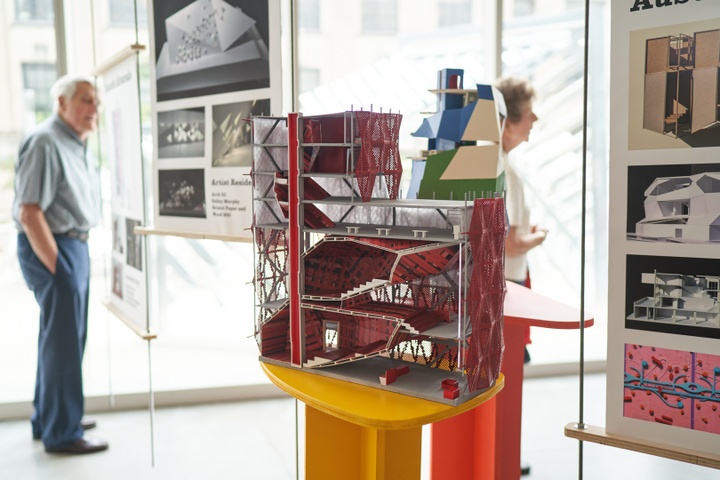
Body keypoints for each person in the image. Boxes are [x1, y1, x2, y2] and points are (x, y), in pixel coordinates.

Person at [12, 74, 107, 454]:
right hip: (54, 247)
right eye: (85, 100)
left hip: (72, 246)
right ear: (62, 104)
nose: (93, 109)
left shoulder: (73, 142)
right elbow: (29, 211)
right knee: (65, 342)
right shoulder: (46, 141)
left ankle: (51, 417)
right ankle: (62, 433)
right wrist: (59, 268)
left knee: (62, 339)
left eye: (95, 102)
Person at [495, 75, 548, 477]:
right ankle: (503, 455)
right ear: (510, 120)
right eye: (528, 113)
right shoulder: (505, 171)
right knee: (508, 370)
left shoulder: (496, 164)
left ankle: (501, 453)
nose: (535, 120)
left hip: (504, 283)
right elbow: (512, 245)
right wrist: (539, 237)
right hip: (510, 285)